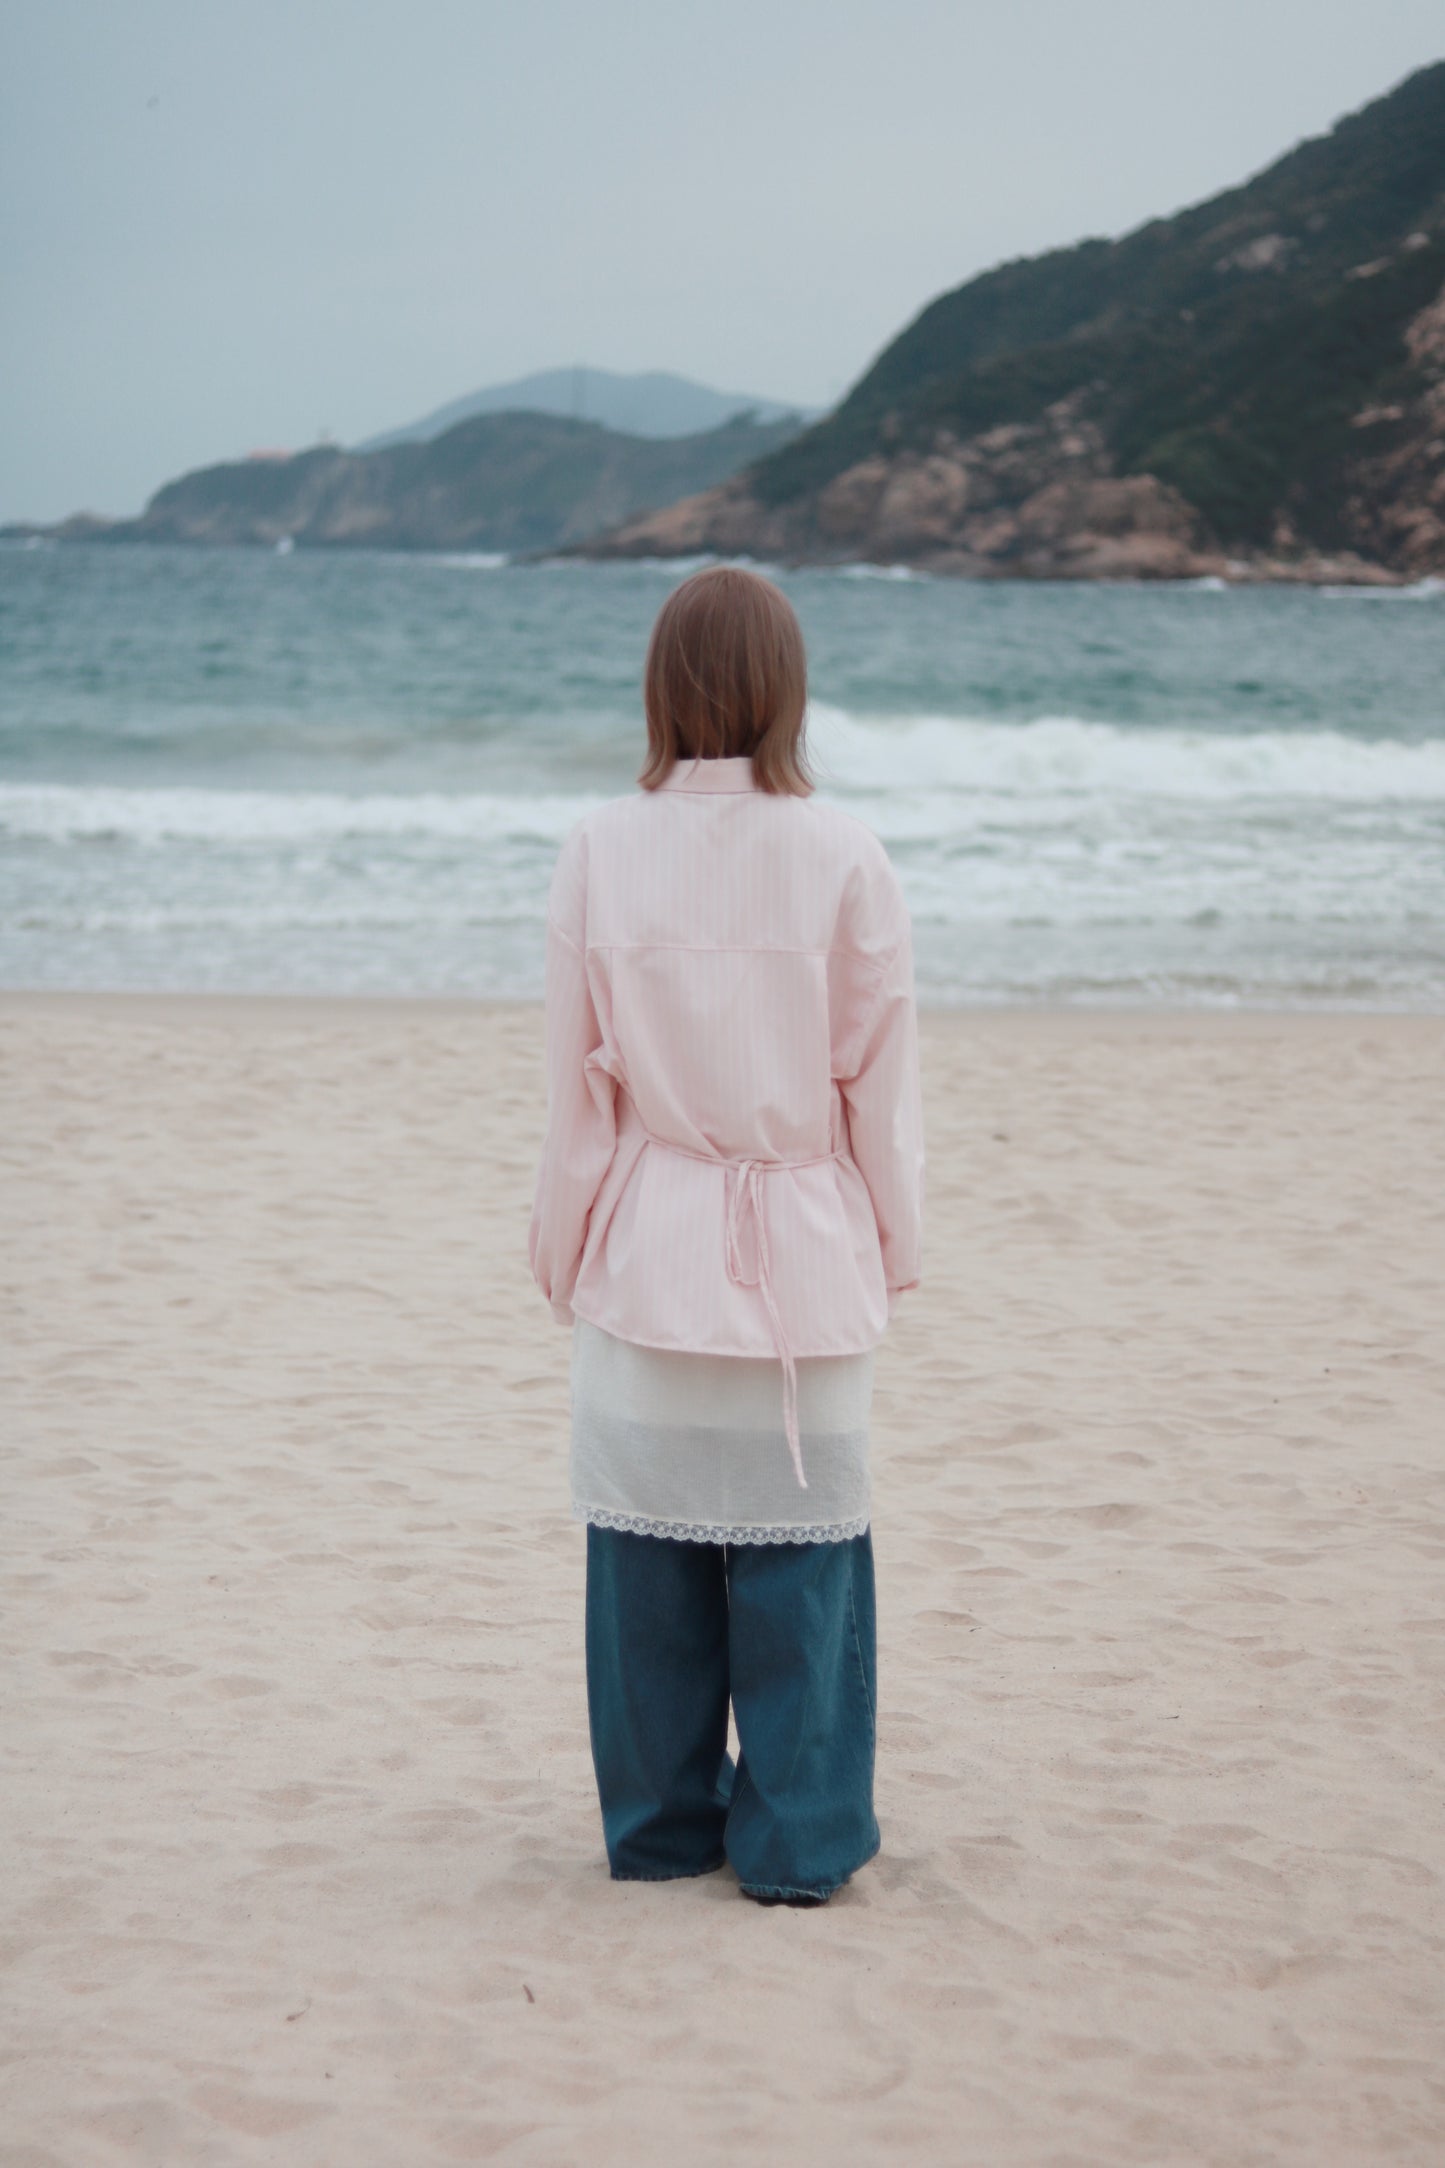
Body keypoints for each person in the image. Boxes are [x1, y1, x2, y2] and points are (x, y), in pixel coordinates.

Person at [528, 565, 925, 1905]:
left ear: (662, 684)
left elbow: (576, 1087)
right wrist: (892, 1243)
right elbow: (881, 1082)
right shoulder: (845, 853)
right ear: (782, 688)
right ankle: (797, 1845)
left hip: (650, 1231)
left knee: (645, 1567)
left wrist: (560, 1243)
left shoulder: (599, 845)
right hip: (800, 1234)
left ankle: (655, 1833)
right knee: (800, 1566)